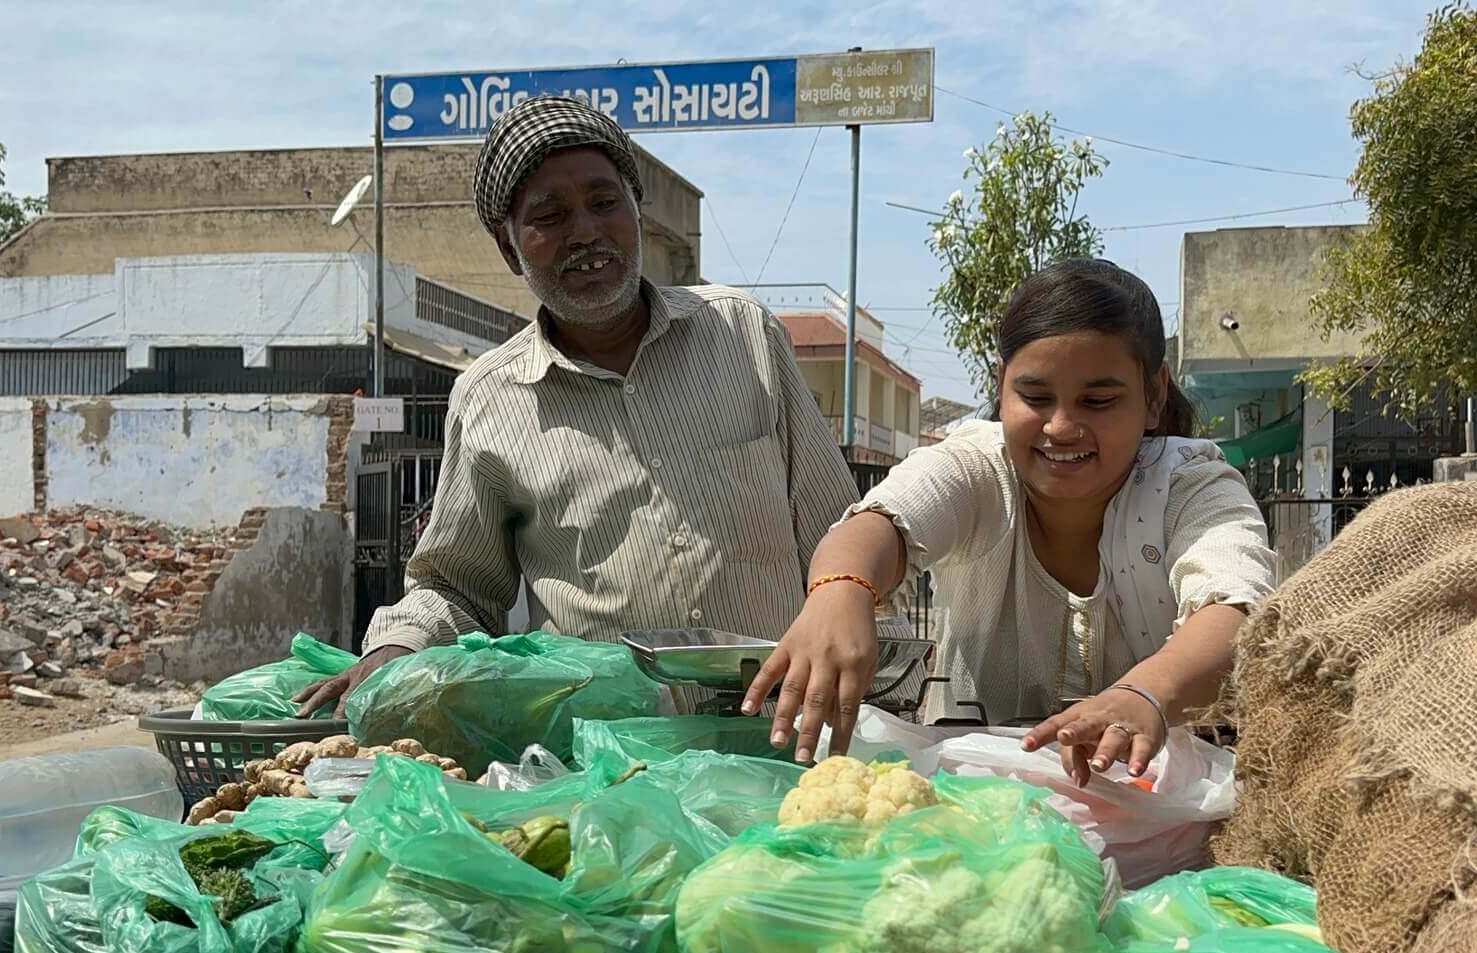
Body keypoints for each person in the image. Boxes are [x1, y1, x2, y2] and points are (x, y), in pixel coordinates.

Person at [299, 97, 857, 715]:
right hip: (609, 757)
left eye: (603, 202)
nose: (586, 232)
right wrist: (397, 648)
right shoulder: (490, 399)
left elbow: (838, 532)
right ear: (511, 250)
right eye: (550, 215)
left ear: (636, 211)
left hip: (782, 733)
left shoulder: (743, 334)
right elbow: (456, 583)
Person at [744, 258, 1276, 783]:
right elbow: (879, 523)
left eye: (1099, 400)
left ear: (1154, 395)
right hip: (971, 819)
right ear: (1001, 387)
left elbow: (1236, 612)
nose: (1062, 427)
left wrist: (1145, 694)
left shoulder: (1193, 486)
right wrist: (841, 590)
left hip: (1158, 822)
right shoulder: (976, 467)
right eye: (1036, 397)